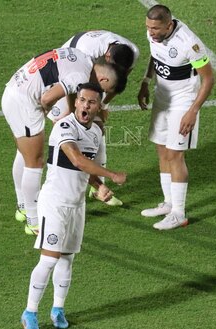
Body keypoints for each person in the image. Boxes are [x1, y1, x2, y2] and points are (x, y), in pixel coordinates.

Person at [20, 83, 127, 329]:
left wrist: (100, 187)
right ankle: (30, 313)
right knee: (49, 258)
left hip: (77, 205)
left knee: (67, 259)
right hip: (55, 203)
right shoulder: (64, 126)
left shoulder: (97, 135)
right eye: (82, 100)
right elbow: (77, 160)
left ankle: (57, 309)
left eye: (91, 102)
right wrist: (112, 175)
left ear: (98, 106)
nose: (85, 106)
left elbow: (88, 170)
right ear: (76, 102)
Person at [2, 47, 126, 235]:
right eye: (104, 92)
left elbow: (69, 88)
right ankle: (34, 222)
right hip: (25, 102)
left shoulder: (84, 59)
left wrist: (67, 112)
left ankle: (23, 208)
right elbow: (46, 99)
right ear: (103, 81)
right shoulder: (80, 77)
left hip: (16, 89)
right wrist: (46, 111)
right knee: (34, 163)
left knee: (24, 152)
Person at [137, 4, 215, 230]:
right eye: (148, 27)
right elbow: (155, 56)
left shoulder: (189, 43)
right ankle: (168, 203)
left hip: (183, 102)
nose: (151, 32)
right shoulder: (154, 34)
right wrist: (145, 81)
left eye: (156, 28)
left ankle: (179, 213)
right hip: (162, 97)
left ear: (169, 25)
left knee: (174, 155)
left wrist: (193, 110)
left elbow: (208, 79)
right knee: (162, 148)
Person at [48, 30, 139, 206]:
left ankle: (98, 187)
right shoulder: (87, 52)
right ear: (106, 55)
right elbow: (73, 84)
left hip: (88, 81)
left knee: (97, 128)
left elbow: (116, 83)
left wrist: (102, 105)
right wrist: (72, 113)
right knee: (66, 133)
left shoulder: (131, 54)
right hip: (63, 75)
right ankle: (44, 196)